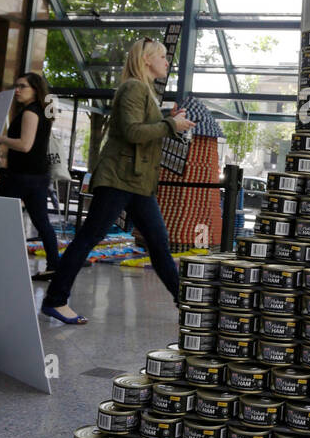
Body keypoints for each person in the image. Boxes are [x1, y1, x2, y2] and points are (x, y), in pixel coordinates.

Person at [40, 38, 194, 324]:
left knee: (159, 243)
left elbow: (141, 129)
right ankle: (55, 300)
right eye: (162, 56)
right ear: (147, 59)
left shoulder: (144, 90)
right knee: (89, 237)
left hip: (135, 182)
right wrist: (171, 124)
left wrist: (167, 121)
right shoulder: (134, 87)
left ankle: (185, 303)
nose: (167, 61)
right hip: (120, 179)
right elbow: (133, 132)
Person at [0, 72, 60, 281]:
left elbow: (25, 145)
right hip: (37, 176)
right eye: (16, 86)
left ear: (35, 90)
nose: (17, 90)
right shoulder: (43, 112)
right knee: (42, 222)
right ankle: (54, 265)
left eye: (23, 86)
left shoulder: (30, 112)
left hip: (22, 176)